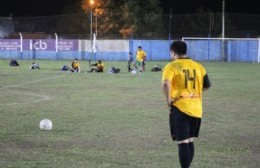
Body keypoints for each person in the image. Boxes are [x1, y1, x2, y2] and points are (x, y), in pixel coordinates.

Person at [161, 41, 211, 168]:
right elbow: (206, 86)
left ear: (172, 52)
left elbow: (166, 83)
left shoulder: (172, 66)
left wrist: (168, 100)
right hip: (196, 109)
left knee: (183, 143)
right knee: (189, 141)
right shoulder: (198, 66)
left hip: (180, 107)